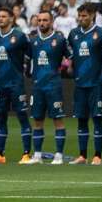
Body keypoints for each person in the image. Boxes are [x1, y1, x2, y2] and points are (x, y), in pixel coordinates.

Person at [0, 7, 32, 165]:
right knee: (0, 117)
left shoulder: (19, 36)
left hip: (16, 83)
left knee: (22, 116)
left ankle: (26, 154)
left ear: (12, 19)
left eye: (4, 16)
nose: (0, 19)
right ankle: (0, 154)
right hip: (0, 83)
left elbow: (31, 53)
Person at [26, 10, 70, 165]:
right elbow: (27, 60)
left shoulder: (59, 39)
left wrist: (66, 68)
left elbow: (70, 57)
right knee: (37, 121)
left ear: (51, 22)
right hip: (37, 85)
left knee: (58, 120)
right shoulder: (33, 41)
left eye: (45, 20)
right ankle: (37, 155)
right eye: (39, 20)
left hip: (53, 85)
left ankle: (58, 155)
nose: (42, 23)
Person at [67, 4, 102, 165]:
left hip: (96, 83)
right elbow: (72, 55)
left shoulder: (101, 33)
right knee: (81, 119)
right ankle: (82, 155)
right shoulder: (74, 34)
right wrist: (70, 66)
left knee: (97, 119)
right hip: (80, 83)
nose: (81, 18)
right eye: (80, 16)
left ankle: (97, 156)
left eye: (84, 16)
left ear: (92, 16)